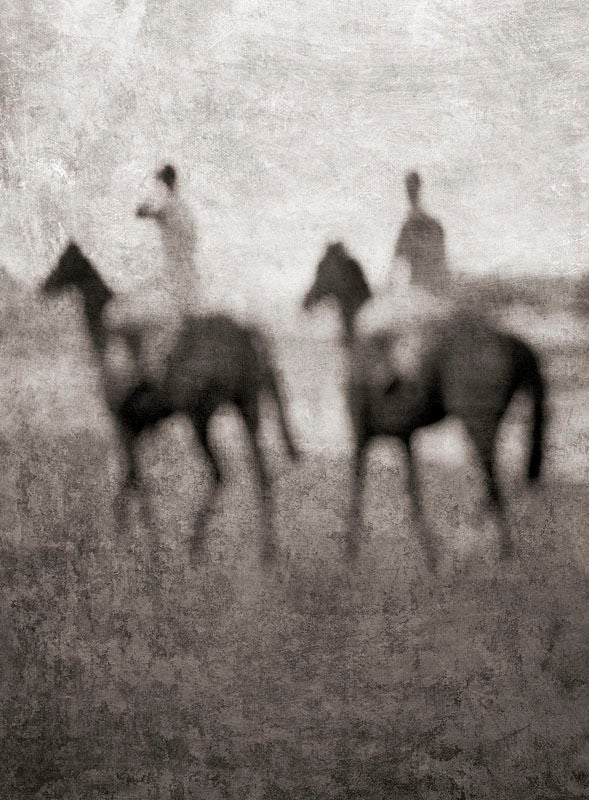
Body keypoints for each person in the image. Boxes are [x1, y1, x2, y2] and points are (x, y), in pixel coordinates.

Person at [104, 163, 199, 391]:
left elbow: (143, 210)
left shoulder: (169, 205)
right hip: (186, 283)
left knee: (115, 315)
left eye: (158, 183)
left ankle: (144, 379)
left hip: (174, 287)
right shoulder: (184, 210)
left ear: (164, 184)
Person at [393, 170, 450, 295]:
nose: (409, 192)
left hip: (425, 286)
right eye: (409, 187)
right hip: (423, 286)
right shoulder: (412, 225)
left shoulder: (415, 225)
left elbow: (397, 256)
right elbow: (397, 257)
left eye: (411, 187)